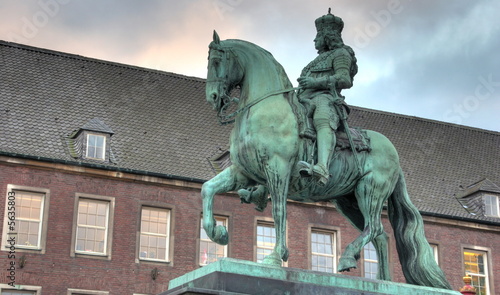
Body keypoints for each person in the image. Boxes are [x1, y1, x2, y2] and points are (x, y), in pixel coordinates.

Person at [297, 8, 358, 186]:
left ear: (327, 36)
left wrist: (314, 83)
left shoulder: (341, 54)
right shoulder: (315, 61)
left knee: (322, 118)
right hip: (303, 99)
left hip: (326, 98)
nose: (315, 39)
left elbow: (345, 79)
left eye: (318, 35)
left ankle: (322, 167)